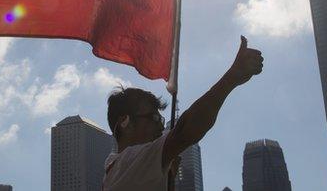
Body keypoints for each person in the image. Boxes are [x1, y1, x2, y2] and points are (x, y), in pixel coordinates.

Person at [102, 36, 264, 190]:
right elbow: (184, 132)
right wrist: (231, 78)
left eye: (161, 117)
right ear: (125, 122)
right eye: (154, 117)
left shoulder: (119, 171)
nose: (160, 124)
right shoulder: (126, 164)